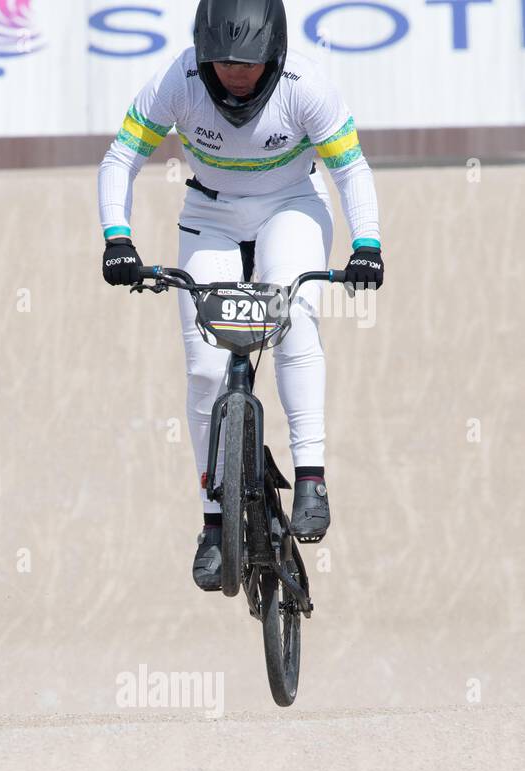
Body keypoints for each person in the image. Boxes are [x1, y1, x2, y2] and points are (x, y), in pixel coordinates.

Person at [98, 0, 384, 590]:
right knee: (204, 371)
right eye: (222, 61)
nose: (235, 73)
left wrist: (367, 244)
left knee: (294, 319)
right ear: (203, 53)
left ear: (274, 54)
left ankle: (310, 476)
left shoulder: (308, 86)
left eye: (248, 63)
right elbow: (122, 154)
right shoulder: (177, 79)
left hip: (293, 207)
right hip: (210, 215)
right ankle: (211, 522)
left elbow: (350, 170)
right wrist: (118, 239)